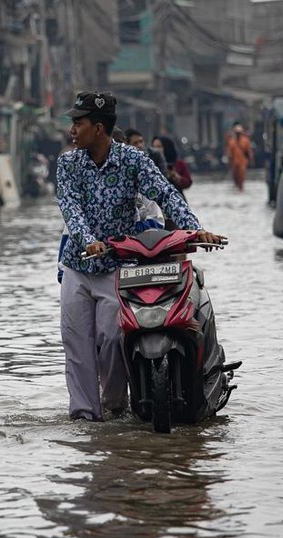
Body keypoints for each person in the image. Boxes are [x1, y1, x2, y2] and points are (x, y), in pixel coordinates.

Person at [56, 90, 224, 422]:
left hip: (117, 269)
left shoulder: (134, 160)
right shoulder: (67, 163)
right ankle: (84, 418)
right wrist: (88, 241)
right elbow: (71, 209)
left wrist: (194, 229)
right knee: (77, 348)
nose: (72, 130)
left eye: (79, 123)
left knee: (113, 342)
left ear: (99, 128)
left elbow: (165, 193)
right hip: (78, 265)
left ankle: (116, 408)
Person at [225, 122, 254, 192]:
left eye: (239, 133)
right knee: (235, 178)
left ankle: (241, 189)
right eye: (237, 133)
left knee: (241, 177)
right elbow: (229, 153)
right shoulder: (231, 142)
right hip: (234, 163)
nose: (238, 134)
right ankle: (237, 187)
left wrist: (251, 160)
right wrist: (229, 163)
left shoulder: (245, 141)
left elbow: (248, 152)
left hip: (242, 163)